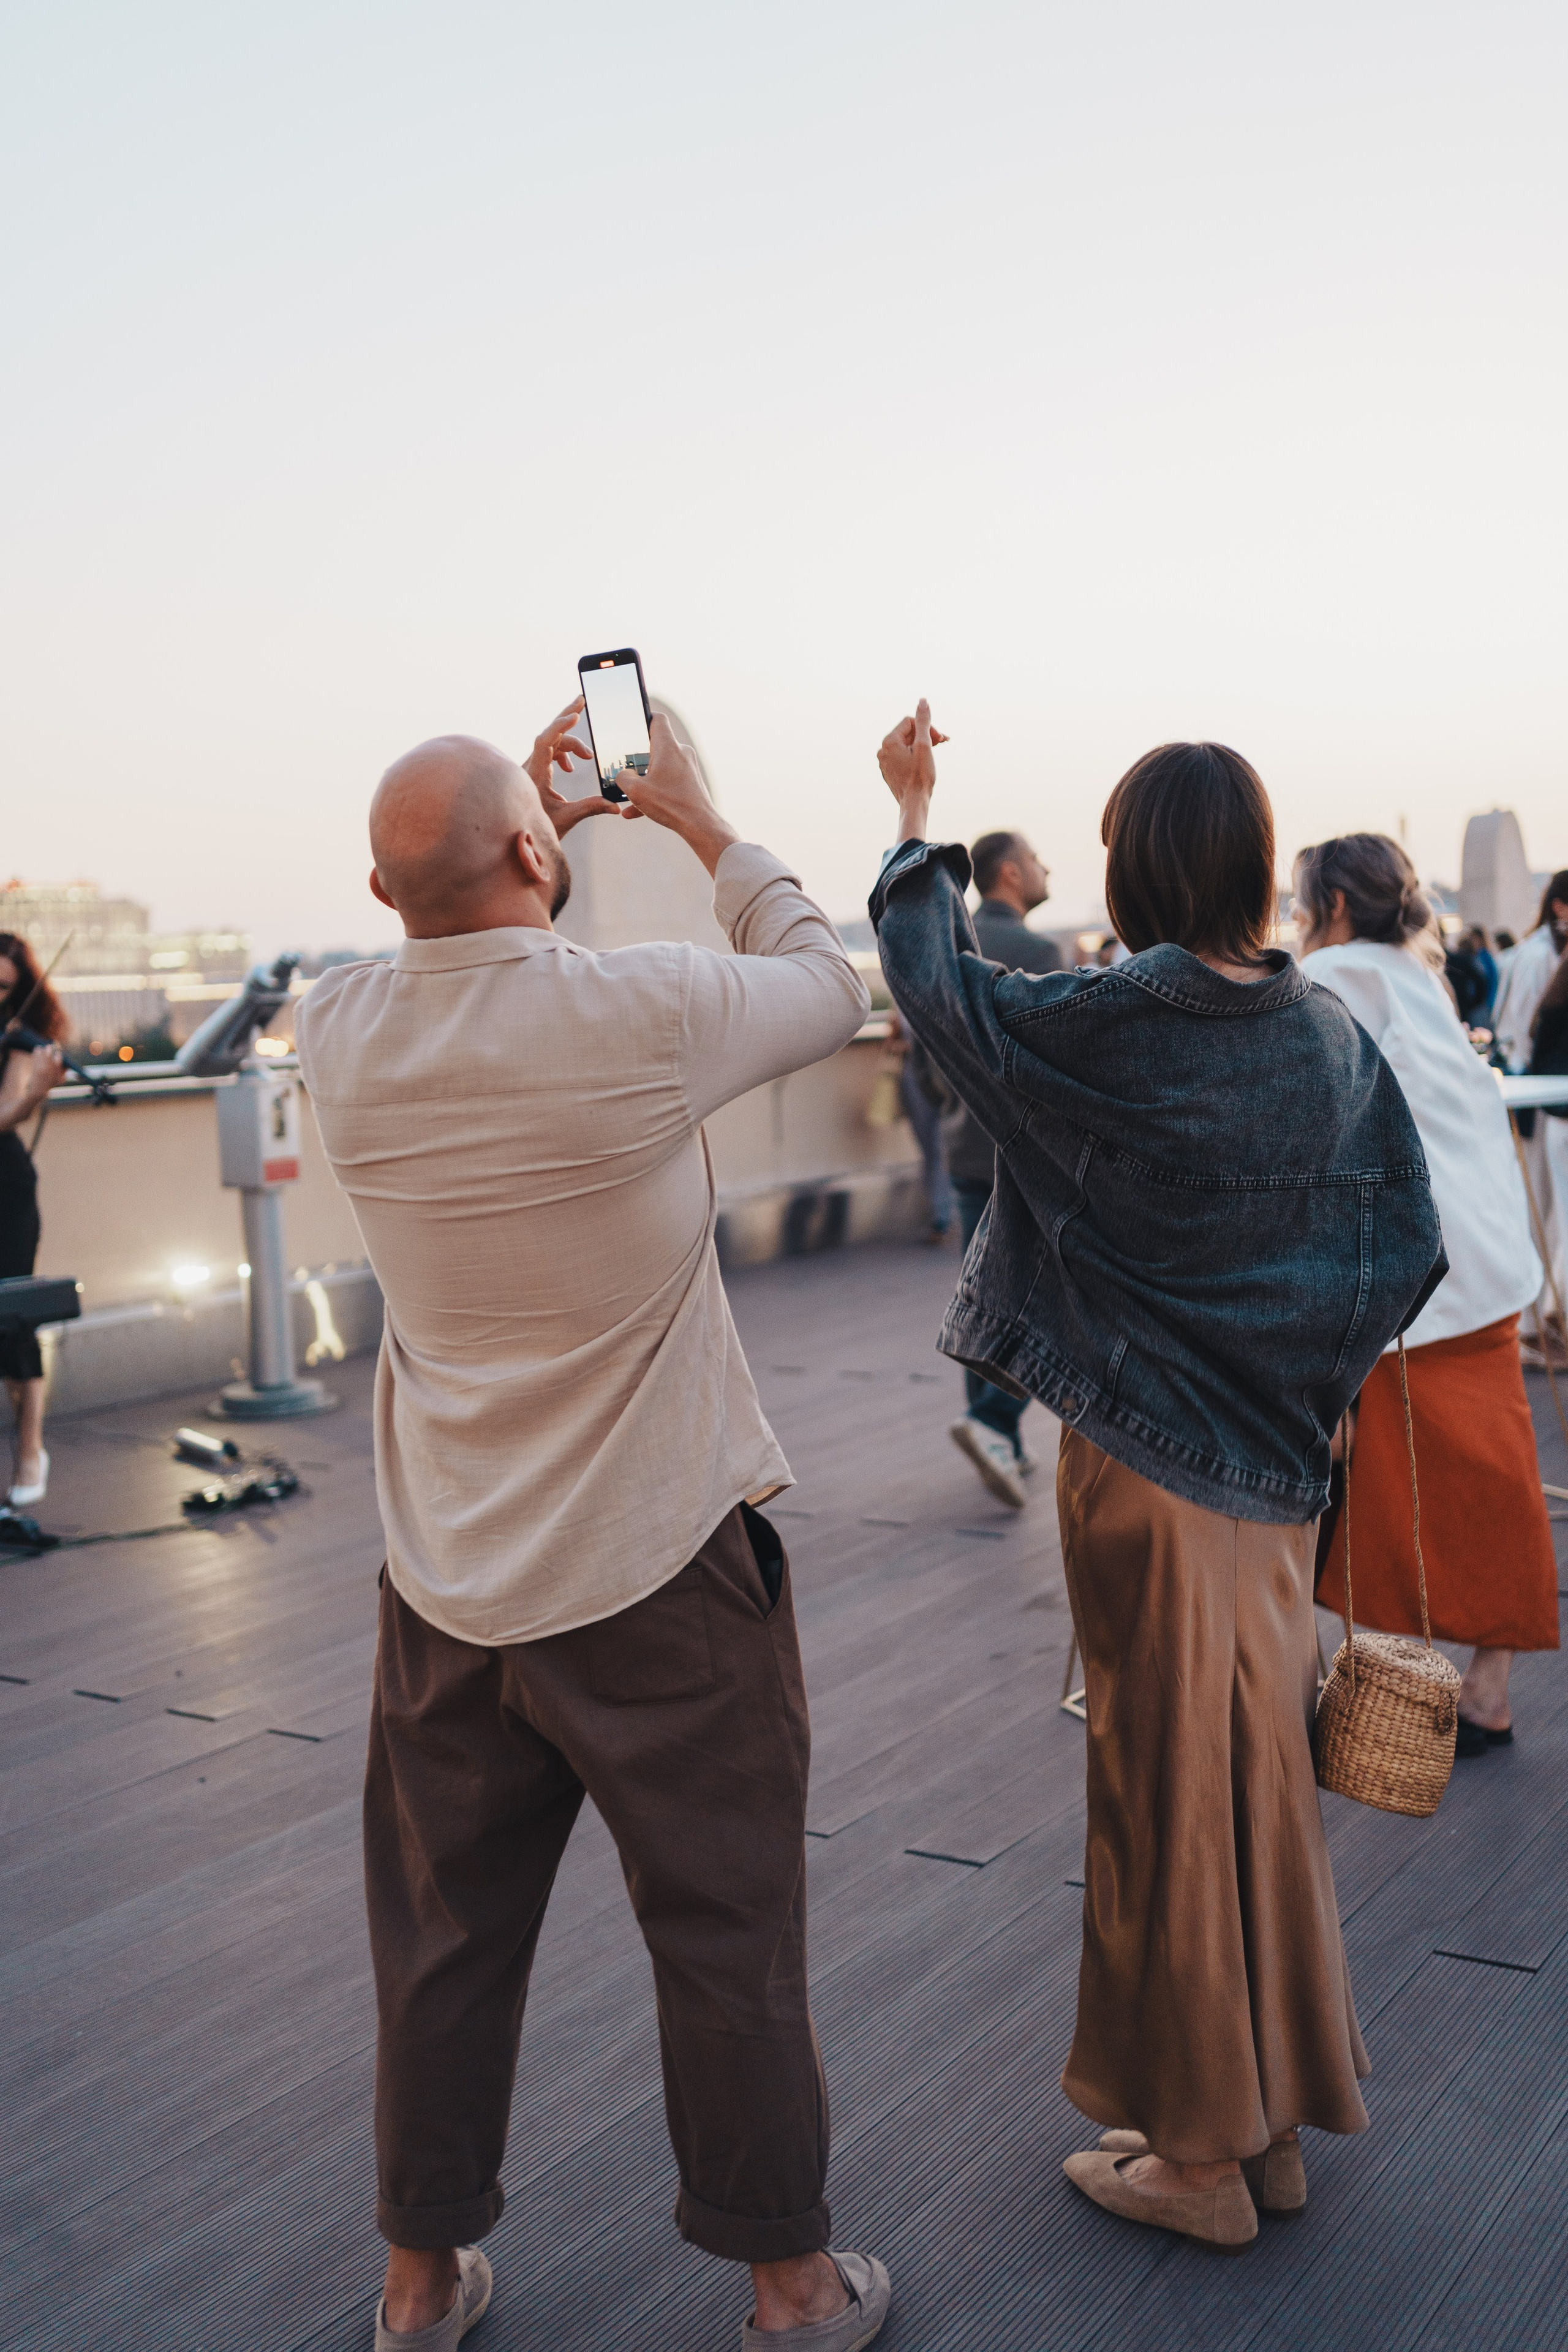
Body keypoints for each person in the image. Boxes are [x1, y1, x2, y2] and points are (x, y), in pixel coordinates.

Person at [295, 706, 891, 2352]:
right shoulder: (637, 1014)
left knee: (438, 1953)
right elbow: (832, 983)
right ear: (543, 855)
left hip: (448, 1588)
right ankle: (789, 2290)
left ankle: (417, 2294)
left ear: (373, 885)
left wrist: (504, 830)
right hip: (657, 1573)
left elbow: (448, 912)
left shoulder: (334, 1032)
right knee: (726, 1938)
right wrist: (696, 816)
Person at [871, 708, 1443, 2253]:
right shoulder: (1320, 1027)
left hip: (1142, 1468)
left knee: (1160, 1797)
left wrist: (914, 813)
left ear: (1129, 867)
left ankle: (1193, 2154)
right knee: (1249, 1791)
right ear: (1254, 866)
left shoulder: (1120, 1014)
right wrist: (1302, 1381)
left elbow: (939, 998)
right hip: (1272, 1479)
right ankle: (1260, 2127)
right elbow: (1405, 1242)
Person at [1295, 835, 1557, 1756]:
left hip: (1419, 1280)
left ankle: (1392, 1707)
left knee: (1392, 1492)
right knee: (1492, 1477)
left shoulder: (1335, 976)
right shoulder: (1415, 977)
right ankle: (1488, 1683)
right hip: (1485, 1264)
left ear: (1328, 905)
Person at [944, 830, 1062, 1508]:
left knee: (979, 1294)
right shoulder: (1039, 953)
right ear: (1011, 874)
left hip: (965, 1142)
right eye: (1040, 862)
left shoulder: (957, 943)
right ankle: (993, 1421)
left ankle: (1001, 1443)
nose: (1048, 871)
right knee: (1036, 1300)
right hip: (1020, 1150)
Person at [0, 936, 67, 1505]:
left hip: (5, 1188)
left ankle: (29, 1450)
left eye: (5, 988)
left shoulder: (17, 1041)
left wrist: (37, 1095)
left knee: (14, 1319)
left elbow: (6, 1113)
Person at [1492, 872, 1568, 1355]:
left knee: (1547, 1212)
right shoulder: (1539, 955)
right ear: (1560, 908)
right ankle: (1531, 1325)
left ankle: (1541, 1319)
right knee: (1539, 1209)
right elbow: (1519, 1030)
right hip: (1538, 1101)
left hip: (1543, 1097)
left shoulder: (1544, 952)